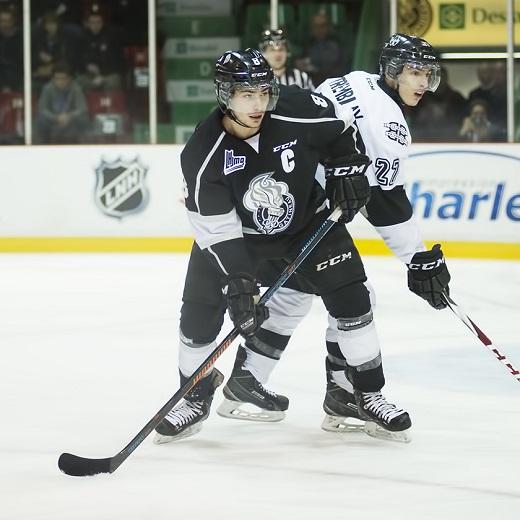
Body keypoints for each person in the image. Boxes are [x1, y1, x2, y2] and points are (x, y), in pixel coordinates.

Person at [154, 48, 411, 445]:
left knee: (354, 301)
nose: (258, 105)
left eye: (263, 93)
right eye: (246, 95)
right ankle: (194, 397)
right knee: (199, 315)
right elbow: (216, 229)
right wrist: (239, 281)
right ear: (224, 95)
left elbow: (343, 132)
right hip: (240, 238)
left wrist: (348, 169)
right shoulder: (202, 155)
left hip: (309, 224)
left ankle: (368, 395)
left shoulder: (297, 108)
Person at [217, 34, 451, 440]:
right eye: (414, 72)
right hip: (307, 213)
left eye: (428, 75)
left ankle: (246, 381)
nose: (421, 83)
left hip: (276, 200)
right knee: (354, 299)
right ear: (392, 71)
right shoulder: (391, 128)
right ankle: (352, 395)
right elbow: (384, 200)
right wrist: (416, 258)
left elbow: (305, 105)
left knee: (291, 295)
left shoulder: (356, 79)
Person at [35, 63, 89, 144]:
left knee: (82, 120)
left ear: (69, 78)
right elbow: (42, 109)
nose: (60, 81)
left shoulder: (76, 89)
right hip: (52, 122)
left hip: (70, 123)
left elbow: (82, 109)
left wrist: (69, 116)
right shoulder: (47, 89)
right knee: (40, 121)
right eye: (57, 78)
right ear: (53, 79)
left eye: (63, 78)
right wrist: (56, 118)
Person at [77, 6, 125, 91]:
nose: (95, 25)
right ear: (88, 23)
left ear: (102, 23)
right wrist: (86, 66)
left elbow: (118, 62)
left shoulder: (112, 38)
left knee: (114, 82)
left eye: (98, 22)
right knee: (78, 82)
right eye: (92, 22)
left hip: (107, 75)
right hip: (88, 75)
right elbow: (76, 60)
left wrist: (102, 75)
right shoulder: (82, 38)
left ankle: (110, 104)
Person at [294, 12, 348, 87]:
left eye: (322, 26)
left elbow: (327, 63)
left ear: (329, 27)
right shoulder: (308, 44)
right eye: (315, 26)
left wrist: (307, 63)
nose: (319, 29)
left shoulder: (336, 44)